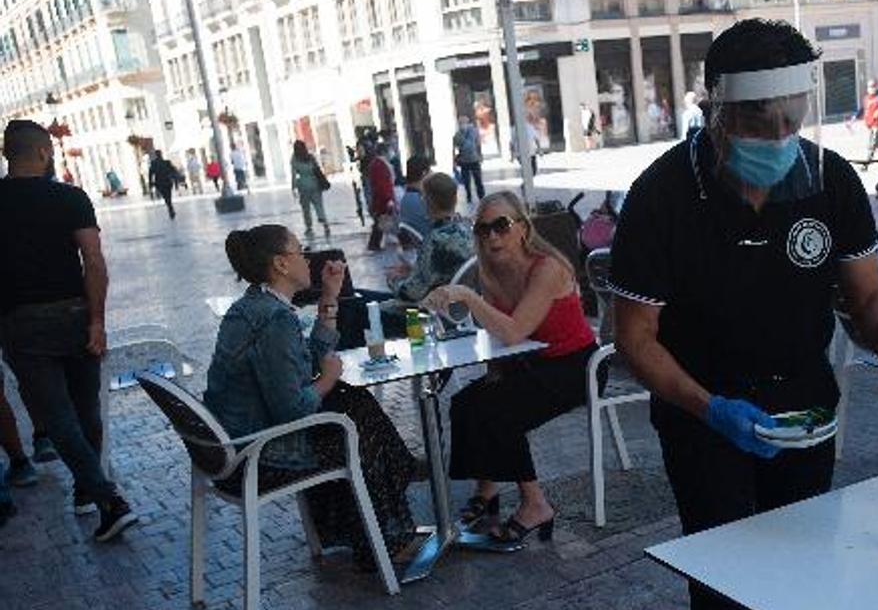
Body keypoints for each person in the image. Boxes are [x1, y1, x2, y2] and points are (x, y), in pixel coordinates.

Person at [609, 19, 878, 610]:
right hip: (703, 416)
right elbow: (636, 337)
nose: (778, 142)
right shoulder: (660, 198)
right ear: (714, 113)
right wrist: (708, 407)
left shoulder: (827, 180)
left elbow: (870, 294)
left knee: (804, 573)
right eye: (757, 125)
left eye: (790, 123)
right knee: (725, 586)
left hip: (804, 409)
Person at [205, 225, 424, 567]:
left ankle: (373, 522)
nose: (307, 258)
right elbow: (294, 409)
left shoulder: (254, 305)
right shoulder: (273, 319)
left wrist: (329, 298)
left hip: (235, 442)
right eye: (300, 251)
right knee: (356, 427)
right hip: (257, 455)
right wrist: (327, 378)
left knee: (352, 404)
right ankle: (384, 534)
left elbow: (300, 364)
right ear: (280, 264)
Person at [421, 191, 598, 552]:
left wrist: (467, 297)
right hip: (530, 363)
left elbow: (514, 330)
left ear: (522, 228)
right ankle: (487, 491)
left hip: (576, 365)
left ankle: (536, 505)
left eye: (501, 226)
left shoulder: (547, 267)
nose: (492, 237)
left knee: (500, 412)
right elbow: (500, 339)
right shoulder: (491, 271)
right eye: (482, 229)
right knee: (466, 403)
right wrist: (494, 371)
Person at [0, 120, 138, 541]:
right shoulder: (69, 198)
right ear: (44, 152)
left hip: (20, 323)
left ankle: (101, 496)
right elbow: (93, 261)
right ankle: (98, 495)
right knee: (86, 412)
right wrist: (97, 320)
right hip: (75, 315)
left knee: (59, 419)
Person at [384, 173, 473, 313]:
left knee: (367, 304)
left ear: (427, 201)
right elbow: (437, 270)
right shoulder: (467, 228)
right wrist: (413, 270)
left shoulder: (435, 240)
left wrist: (392, 280)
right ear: (455, 199)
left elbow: (412, 293)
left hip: (434, 310)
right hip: (464, 306)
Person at [290, 140, 330, 239]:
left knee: (306, 208)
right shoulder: (310, 157)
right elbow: (317, 169)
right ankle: (324, 222)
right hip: (315, 183)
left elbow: (294, 175)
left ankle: (309, 227)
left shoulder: (294, 159)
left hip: (303, 186)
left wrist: (293, 187)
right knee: (319, 205)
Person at [366, 141, 397, 252]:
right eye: (390, 150)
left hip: (382, 198)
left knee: (381, 220)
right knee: (381, 221)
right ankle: (374, 244)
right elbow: (382, 184)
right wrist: (388, 199)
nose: (392, 152)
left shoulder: (379, 163)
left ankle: (375, 243)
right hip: (383, 199)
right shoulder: (379, 165)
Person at [452, 116, 485, 205]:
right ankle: (469, 196)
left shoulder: (474, 132)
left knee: (478, 180)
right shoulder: (457, 135)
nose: (462, 125)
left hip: (474, 159)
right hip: (464, 161)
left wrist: (480, 155)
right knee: (466, 181)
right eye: (461, 123)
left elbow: (478, 144)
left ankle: (481, 196)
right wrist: (454, 162)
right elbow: (454, 149)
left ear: (467, 123)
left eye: (464, 122)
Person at [399, 153, 433, 238]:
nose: (432, 173)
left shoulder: (405, 198)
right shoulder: (422, 201)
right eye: (430, 170)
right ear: (424, 173)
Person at [860, 80, 878, 170]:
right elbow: (862, 109)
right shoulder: (866, 98)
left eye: (873, 86)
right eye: (869, 87)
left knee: (872, 144)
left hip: (877, 124)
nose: (871, 89)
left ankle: (866, 164)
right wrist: (853, 118)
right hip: (870, 124)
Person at [148, 149, 178, 219]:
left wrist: (150, 184)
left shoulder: (153, 163)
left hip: (159, 183)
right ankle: (170, 207)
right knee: (168, 196)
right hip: (168, 182)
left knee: (165, 196)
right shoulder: (167, 162)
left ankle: (170, 207)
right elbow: (173, 171)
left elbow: (150, 174)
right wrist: (175, 180)